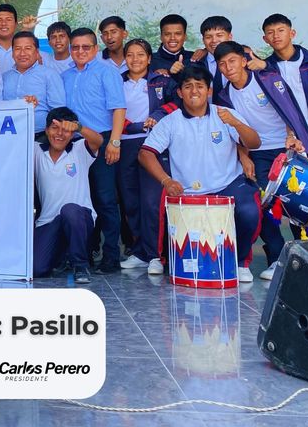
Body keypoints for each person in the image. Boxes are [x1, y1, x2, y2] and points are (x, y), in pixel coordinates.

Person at [141, 64, 262, 283]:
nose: (194, 91)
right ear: (180, 92)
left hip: (227, 184)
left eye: (200, 86)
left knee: (249, 211)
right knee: (154, 204)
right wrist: (166, 180)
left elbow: (254, 142)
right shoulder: (170, 121)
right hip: (188, 192)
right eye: (188, 86)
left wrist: (235, 123)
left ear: (209, 90)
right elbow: (145, 153)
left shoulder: (225, 114)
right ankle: (158, 258)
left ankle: (241, 262)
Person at [213, 40, 308, 280]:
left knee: (297, 203)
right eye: (222, 64)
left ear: (244, 60)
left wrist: (292, 136)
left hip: (285, 147)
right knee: (263, 206)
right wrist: (244, 157)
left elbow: (289, 109)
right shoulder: (224, 95)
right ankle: (276, 259)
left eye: (232, 61)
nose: (228, 67)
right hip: (257, 152)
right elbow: (233, 131)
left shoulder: (266, 79)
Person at [61, 28, 126, 273]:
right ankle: (84, 254)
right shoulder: (65, 75)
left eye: (85, 47)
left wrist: (114, 142)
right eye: (75, 47)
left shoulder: (107, 72)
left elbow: (119, 108)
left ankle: (111, 256)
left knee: (105, 199)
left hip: (102, 140)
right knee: (79, 198)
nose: (80, 51)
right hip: (73, 143)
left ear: (96, 49)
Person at [117, 39, 179, 274]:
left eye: (141, 54)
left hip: (154, 145)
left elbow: (177, 101)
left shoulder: (161, 80)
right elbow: (108, 110)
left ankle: (155, 255)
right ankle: (139, 252)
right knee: (130, 201)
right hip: (124, 145)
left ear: (149, 58)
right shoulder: (117, 81)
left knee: (152, 201)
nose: (135, 59)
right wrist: (134, 126)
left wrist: (158, 115)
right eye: (130, 55)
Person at [33, 107, 104, 284]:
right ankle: (62, 257)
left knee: (69, 210)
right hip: (49, 221)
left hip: (80, 219)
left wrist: (79, 127)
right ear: (46, 130)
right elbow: (12, 141)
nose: (59, 134)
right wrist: (25, 108)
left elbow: (98, 140)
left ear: (72, 133)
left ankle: (80, 265)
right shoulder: (36, 150)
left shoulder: (80, 149)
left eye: (65, 130)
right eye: (54, 128)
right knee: (37, 269)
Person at [261, 14, 308, 152]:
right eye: (270, 32)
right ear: (265, 39)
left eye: (281, 30)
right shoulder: (266, 70)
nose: (276, 36)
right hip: (288, 141)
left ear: (292, 33)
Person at [2, 31, 65, 135]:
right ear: (12, 53)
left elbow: (58, 110)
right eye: (17, 49)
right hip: (8, 135)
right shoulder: (4, 77)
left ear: (37, 52)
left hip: (40, 135)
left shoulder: (50, 75)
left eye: (28, 48)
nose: (22, 53)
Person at [0, 4, 38, 74]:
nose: (3, 23)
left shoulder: (25, 49)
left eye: (8, 19)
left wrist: (26, 28)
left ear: (16, 24)